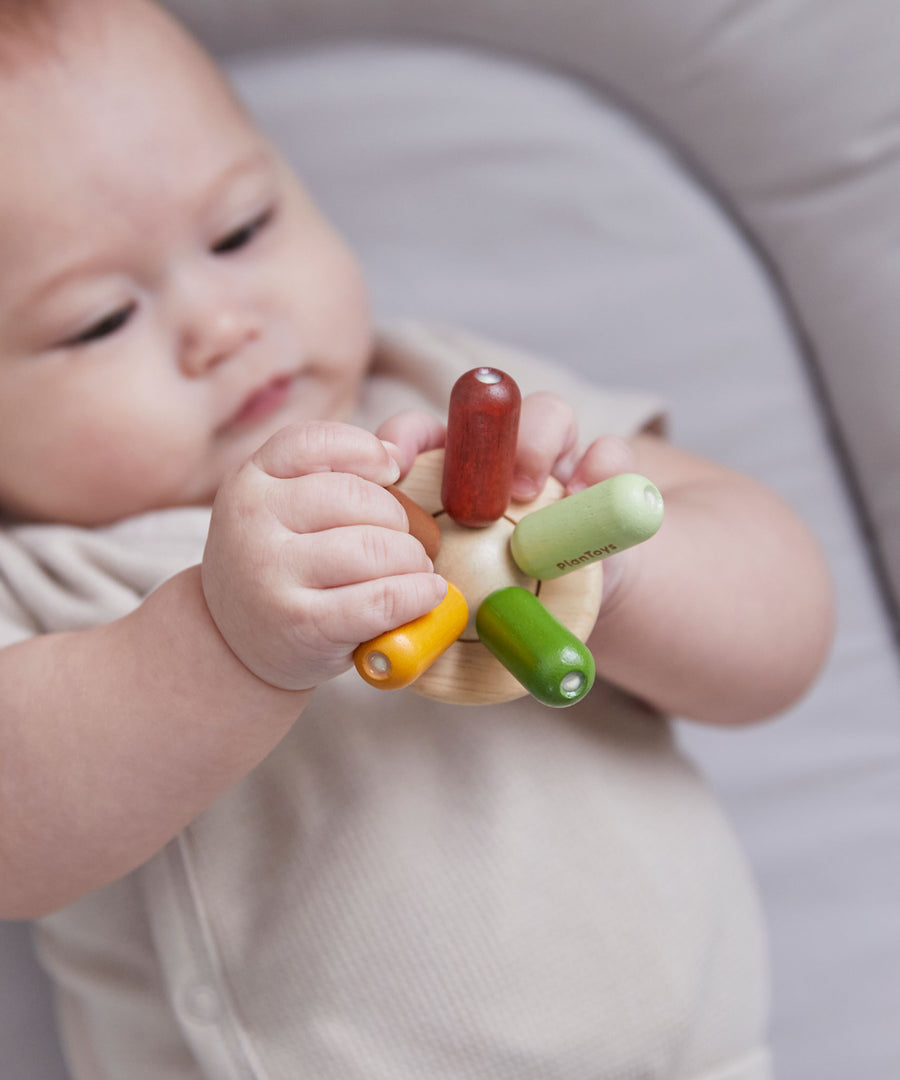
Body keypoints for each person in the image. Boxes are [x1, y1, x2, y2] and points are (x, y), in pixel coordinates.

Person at [0, 0, 833, 1076]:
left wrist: (622, 570)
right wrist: (220, 643)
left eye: (242, 230)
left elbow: (787, 634)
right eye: (97, 321)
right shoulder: (44, 575)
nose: (223, 324)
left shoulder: (471, 406)